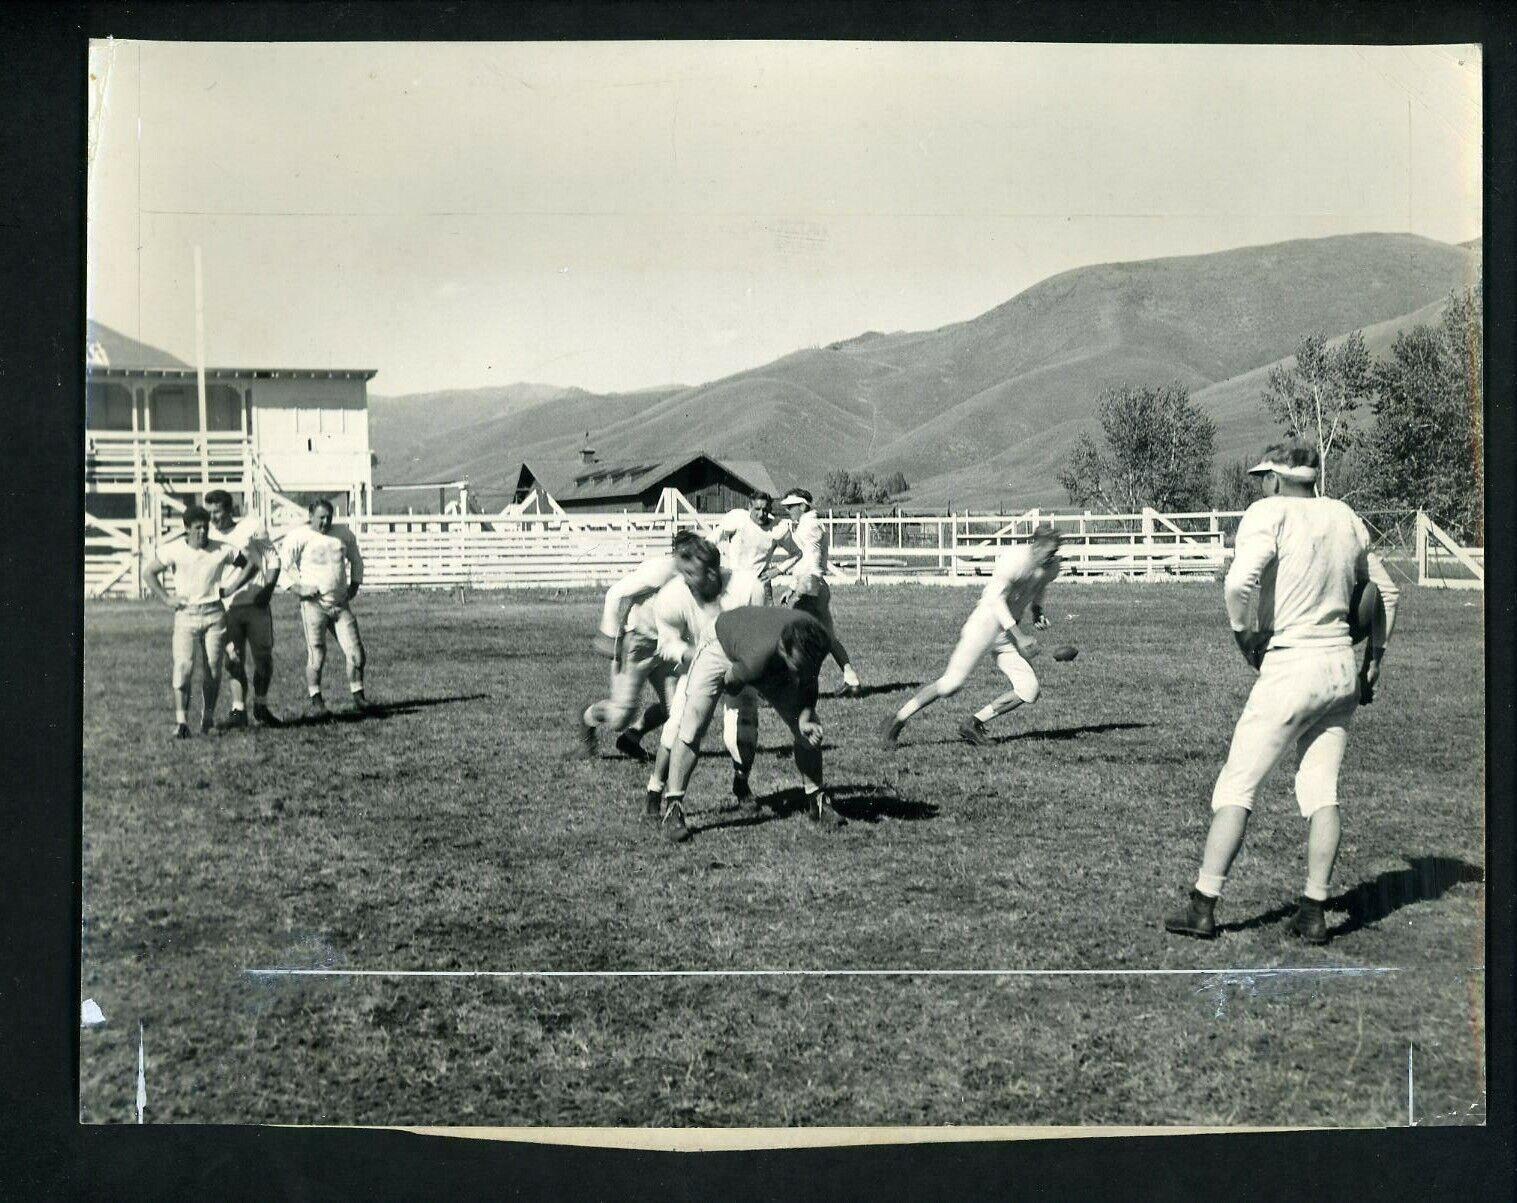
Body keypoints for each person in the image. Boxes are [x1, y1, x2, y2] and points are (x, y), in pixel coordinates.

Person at [1164, 444, 1400, 945]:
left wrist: (1242, 634)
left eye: (1262, 477)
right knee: (1321, 791)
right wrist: (1373, 659)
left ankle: (1203, 906)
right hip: (1339, 666)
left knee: (1237, 785)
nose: (1260, 485)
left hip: (1292, 663)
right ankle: (1314, 911)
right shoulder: (1343, 514)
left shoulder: (1268, 513)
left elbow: (1238, 583)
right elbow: (1385, 593)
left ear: (1274, 479)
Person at [658, 606, 843, 842]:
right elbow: (731, 684)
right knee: (693, 724)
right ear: (783, 650)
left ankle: (817, 802)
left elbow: (808, 681)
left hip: (764, 652)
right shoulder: (757, 658)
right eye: (796, 668)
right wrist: (760, 682)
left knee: (806, 732)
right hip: (721, 644)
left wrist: (805, 716)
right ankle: (673, 808)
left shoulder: (817, 641)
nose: (799, 676)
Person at [881, 525, 1062, 749]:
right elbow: (996, 600)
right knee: (950, 684)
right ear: (1035, 545)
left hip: (1006, 632)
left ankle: (973, 724)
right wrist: (1020, 635)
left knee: (1029, 689)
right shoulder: (1015, 558)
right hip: (985, 624)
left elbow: (1040, 584)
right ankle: (896, 720)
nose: (1052, 557)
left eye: (1055, 552)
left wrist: (1037, 611)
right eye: (1049, 551)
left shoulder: (1051, 565)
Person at [579, 533, 726, 764]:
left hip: (665, 647)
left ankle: (631, 738)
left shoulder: (697, 576)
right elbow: (615, 593)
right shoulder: (661, 570)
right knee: (619, 716)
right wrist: (609, 635)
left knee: (675, 708)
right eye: (687, 555)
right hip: (637, 645)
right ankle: (587, 718)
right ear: (677, 554)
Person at [143, 504, 259, 738]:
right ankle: (181, 722)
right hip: (186, 615)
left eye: (205, 528)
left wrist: (232, 587)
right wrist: (166, 598)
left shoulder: (221, 550)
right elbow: (148, 572)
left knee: (213, 670)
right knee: (183, 667)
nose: (202, 533)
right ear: (186, 529)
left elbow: (251, 565)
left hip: (214, 614)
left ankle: (208, 719)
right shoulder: (173, 550)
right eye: (197, 529)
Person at [279, 499, 370, 718]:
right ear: (311, 516)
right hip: (314, 605)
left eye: (329, 517)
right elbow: (282, 568)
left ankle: (359, 697)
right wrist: (299, 588)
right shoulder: (298, 536)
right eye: (321, 517)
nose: (326, 521)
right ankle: (316, 699)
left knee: (356, 653)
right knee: (317, 654)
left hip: (340, 604)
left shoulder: (342, 534)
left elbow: (356, 560)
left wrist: (354, 585)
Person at [771, 488, 863, 696]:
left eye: (791, 507)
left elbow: (810, 561)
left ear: (802, 506)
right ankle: (852, 680)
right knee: (827, 638)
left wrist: (799, 588)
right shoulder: (809, 524)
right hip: (816, 586)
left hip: (810, 585)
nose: (788, 511)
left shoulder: (808, 526)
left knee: (787, 633)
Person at [204, 489, 284, 728]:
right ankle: (238, 710)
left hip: (254, 603)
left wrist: (268, 589)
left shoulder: (250, 527)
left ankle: (261, 705)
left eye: (217, 512)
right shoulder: (206, 534)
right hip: (226, 608)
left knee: (263, 658)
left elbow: (272, 559)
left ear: (230, 510)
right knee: (232, 659)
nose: (213, 518)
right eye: (209, 513)